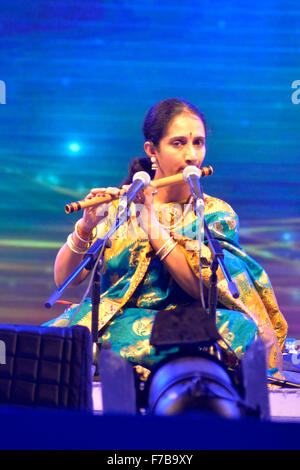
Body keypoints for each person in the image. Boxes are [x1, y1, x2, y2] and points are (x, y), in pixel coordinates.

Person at [44, 98, 287, 383]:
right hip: (117, 321)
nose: (191, 155)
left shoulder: (214, 213)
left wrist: (150, 221)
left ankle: (110, 359)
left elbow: (200, 286)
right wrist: (85, 227)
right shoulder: (122, 207)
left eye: (198, 143)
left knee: (238, 328)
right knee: (52, 336)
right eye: (178, 143)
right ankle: (126, 360)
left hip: (181, 327)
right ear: (152, 151)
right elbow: (65, 279)